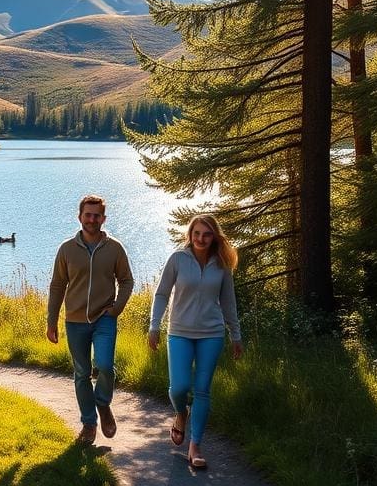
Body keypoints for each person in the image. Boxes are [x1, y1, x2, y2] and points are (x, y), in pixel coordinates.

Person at [149, 213, 242, 469]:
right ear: (190, 235)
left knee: (202, 390)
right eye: (197, 233)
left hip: (211, 334)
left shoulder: (222, 264)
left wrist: (236, 335)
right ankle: (181, 414)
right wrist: (154, 326)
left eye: (207, 234)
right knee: (179, 387)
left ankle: (195, 446)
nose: (201, 239)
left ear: (214, 237)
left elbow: (228, 302)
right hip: (179, 332)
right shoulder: (178, 259)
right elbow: (161, 294)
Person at [47, 195, 135, 445]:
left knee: (105, 365)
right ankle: (88, 424)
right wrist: (51, 321)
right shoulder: (66, 249)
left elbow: (126, 281)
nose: (92, 219)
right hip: (74, 321)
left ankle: (103, 404)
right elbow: (57, 286)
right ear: (80, 217)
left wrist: (117, 308)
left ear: (103, 219)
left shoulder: (115, 248)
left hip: (104, 318)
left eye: (97, 215)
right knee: (82, 373)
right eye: (88, 215)